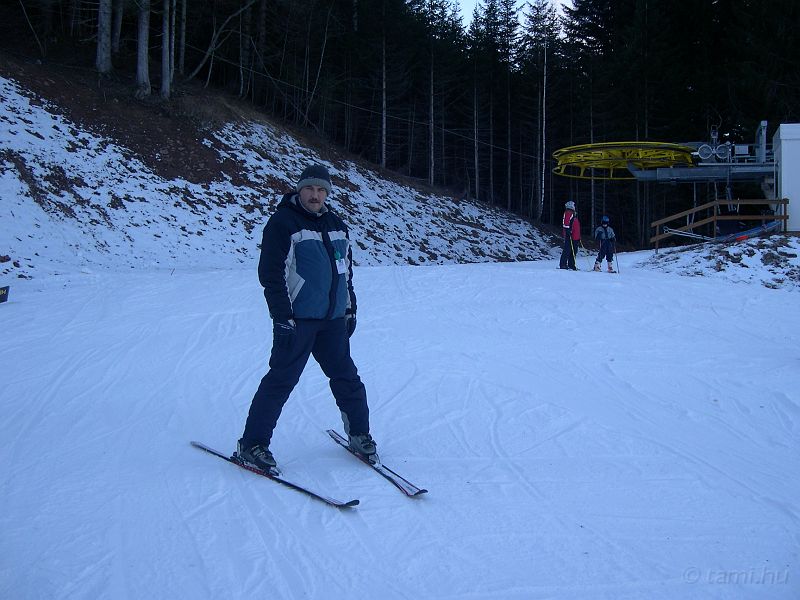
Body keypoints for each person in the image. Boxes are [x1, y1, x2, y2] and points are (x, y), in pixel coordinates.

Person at [236, 163, 375, 472]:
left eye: (321, 190)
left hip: (332, 321)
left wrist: (349, 308)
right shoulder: (283, 223)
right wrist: (282, 317)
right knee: (280, 381)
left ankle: (359, 434)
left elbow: (345, 273)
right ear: (299, 190)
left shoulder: (336, 225)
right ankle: (252, 444)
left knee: (347, 378)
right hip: (298, 321)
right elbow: (272, 275)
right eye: (310, 189)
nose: (315, 195)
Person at [559, 200, 581, 270]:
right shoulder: (569, 212)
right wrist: (568, 231)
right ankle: (563, 264)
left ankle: (571, 264)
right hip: (570, 235)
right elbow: (566, 222)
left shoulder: (573, 214)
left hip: (575, 236)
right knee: (567, 250)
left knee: (573, 250)